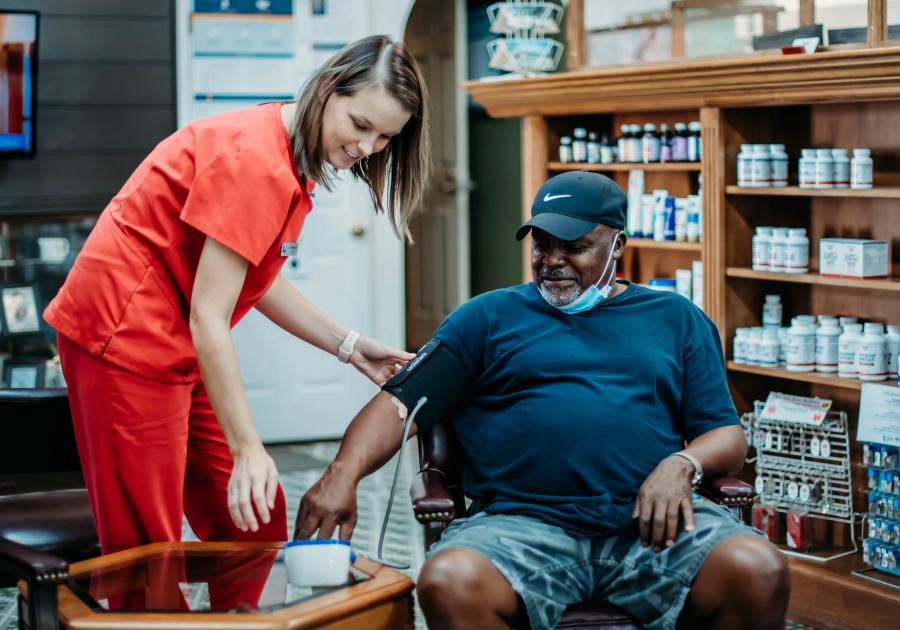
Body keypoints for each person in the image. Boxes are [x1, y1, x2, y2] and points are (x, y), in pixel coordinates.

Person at [294, 171, 790, 630]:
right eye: (542, 244)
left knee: (757, 568)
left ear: (617, 244)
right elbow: (400, 405)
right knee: (448, 580)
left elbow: (726, 435)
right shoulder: (486, 318)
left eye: (574, 247)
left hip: (650, 526)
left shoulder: (676, 318)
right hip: (519, 527)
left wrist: (683, 464)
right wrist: (342, 476)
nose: (552, 260)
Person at [42, 34, 431, 564]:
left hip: (180, 337)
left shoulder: (294, 153)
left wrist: (350, 346)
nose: (366, 149)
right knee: (148, 547)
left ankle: (242, 618)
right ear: (325, 89)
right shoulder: (255, 161)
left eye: (385, 137)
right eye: (360, 125)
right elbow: (210, 314)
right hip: (123, 335)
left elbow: (254, 276)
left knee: (255, 512)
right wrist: (248, 446)